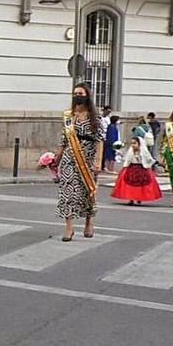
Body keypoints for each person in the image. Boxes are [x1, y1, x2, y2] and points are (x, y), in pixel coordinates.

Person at [56, 82, 104, 242]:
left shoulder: (95, 117)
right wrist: (57, 156)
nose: (77, 96)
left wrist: (98, 161)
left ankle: (89, 222)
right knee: (68, 190)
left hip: (88, 157)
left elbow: (99, 140)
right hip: (70, 156)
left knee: (87, 191)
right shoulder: (69, 116)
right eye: (75, 93)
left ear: (87, 96)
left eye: (80, 94)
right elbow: (64, 138)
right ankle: (69, 227)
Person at [111, 136, 162, 206]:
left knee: (142, 184)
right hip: (131, 167)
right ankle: (131, 199)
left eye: (135, 143)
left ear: (139, 144)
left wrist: (155, 162)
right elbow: (127, 159)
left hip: (142, 168)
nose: (133, 145)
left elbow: (148, 159)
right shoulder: (130, 151)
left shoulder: (144, 152)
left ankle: (139, 198)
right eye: (132, 143)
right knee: (129, 184)